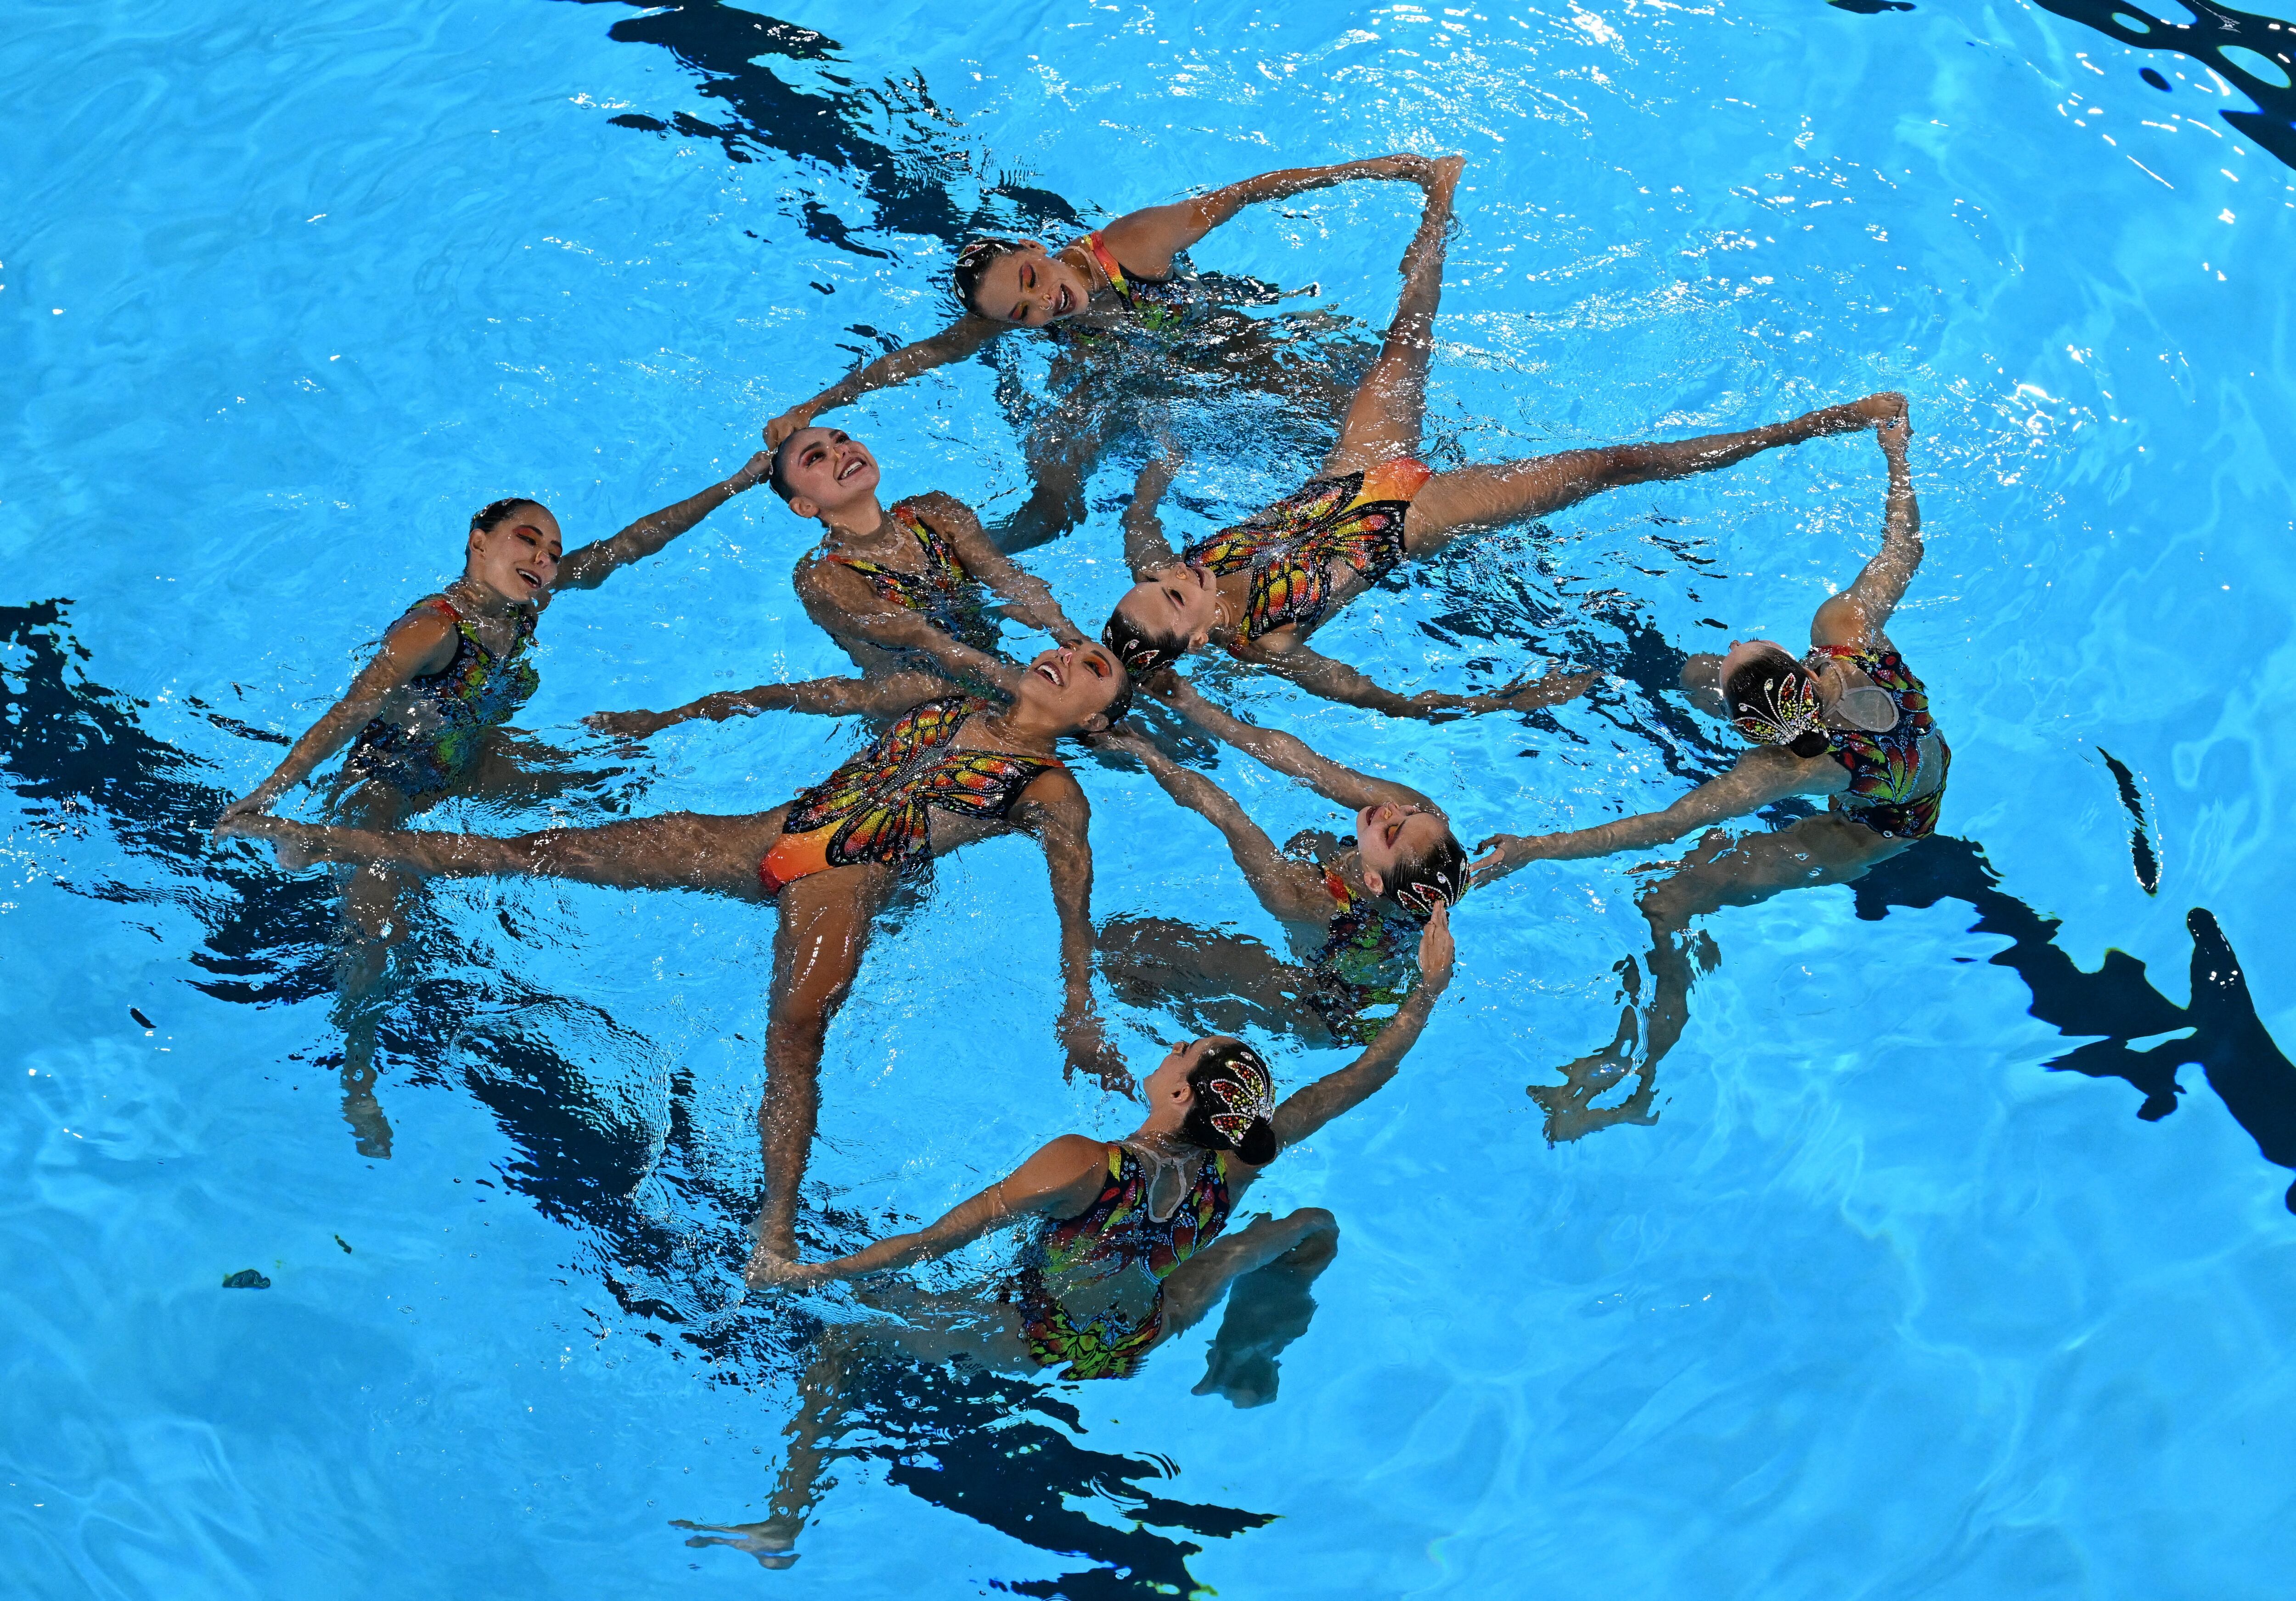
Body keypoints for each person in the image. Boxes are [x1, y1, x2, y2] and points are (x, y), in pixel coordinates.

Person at [220, 644, 1137, 1254]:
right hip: (754, 836)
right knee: (548, 851)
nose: (1063, 656)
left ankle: (773, 1238)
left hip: (840, 889)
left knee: (796, 1036)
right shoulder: (947, 698)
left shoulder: (1051, 789)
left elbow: (1074, 903)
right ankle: (314, 836)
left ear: (1097, 722)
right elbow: (816, 696)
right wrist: (679, 714)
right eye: (1064, 646)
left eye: (1090, 667)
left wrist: (1079, 1013)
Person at [1101, 156, 1909, 719]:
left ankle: (1437, 189)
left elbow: (1140, 532)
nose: (1175, 570)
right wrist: (1508, 700)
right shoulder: (1270, 641)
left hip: (1347, 474)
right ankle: (1808, 429)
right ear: (1199, 637)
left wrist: (1156, 471)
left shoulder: (1164, 574)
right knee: (1610, 465)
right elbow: (1382, 698)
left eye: (1163, 576)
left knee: (1407, 334)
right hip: (1416, 516)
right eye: (1175, 593)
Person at [209, 457, 774, 1153]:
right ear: (479, 539)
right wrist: (270, 792)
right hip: (385, 779)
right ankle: (358, 1068)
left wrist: (739, 481)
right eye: (527, 539)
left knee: (612, 779)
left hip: (470, 760)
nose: (543, 558)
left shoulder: (523, 606)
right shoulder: (432, 630)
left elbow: (634, 543)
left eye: (553, 551)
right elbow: (348, 713)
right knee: (383, 931)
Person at [744, 904, 1452, 1387]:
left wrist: (810, 1272)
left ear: (1181, 1096)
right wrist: (1425, 992)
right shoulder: (1232, 1165)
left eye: (1188, 1048)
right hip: (1147, 1332)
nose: (1175, 1043)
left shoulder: (1083, 1163)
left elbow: (940, 1238)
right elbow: (1360, 1077)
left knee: (845, 1341)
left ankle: (781, 1522)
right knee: (1309, 1229)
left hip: (1039, 1336)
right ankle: (1253, 1343)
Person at [1473, 412, 1941, 1139]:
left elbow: (1663, 826)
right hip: (1895, 753)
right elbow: (1904, 548)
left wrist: (1536, 846)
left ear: (1759, 738)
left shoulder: (1778, 773)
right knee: (1693, 673)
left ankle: (1638, 1087)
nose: (1732, 641)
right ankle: (1642, 675)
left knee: (1668, 898)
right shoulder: (1848, 629)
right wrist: (1897, 452)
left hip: (1880, 826)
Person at [761, 155, 1449, 550]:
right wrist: (820, 404)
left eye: (1033, 281)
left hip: (1228, 347)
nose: (1042, 306)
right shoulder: (1019, 315)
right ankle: (970, 553)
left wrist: (1400, 172)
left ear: (1037, 249)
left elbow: (1246, 193)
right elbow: (921, 356)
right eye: (1021, 314)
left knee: (1356, 427)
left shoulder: (1131, 245)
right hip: (1130, 382)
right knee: (1055, 472)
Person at [1089, 672, 1537, 1046]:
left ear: (1373, 882)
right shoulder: (1428, 826)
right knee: (1313, 839)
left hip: (1331, 1005)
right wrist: (1193, 703)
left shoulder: (1303, 896)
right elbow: (1310, 766)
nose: (1391, 808)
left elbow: (1226, 816)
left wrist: (1141, 749)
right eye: (1408, 812)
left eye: (1394, 828)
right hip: (1382, 926)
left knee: (1124, 948)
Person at [586, 432, 1084, 741]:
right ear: (805, 506)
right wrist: (1021, 688)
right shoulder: (823, 575)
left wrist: (1073, 641)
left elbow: (1007, 578)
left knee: (1097, 705)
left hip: (982, 660)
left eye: (841, 439)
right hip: (910, 689)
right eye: (816, 458)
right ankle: (663, 720)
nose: (840, 451)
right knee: (777, 696)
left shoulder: (936, 509)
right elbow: (925, 642)